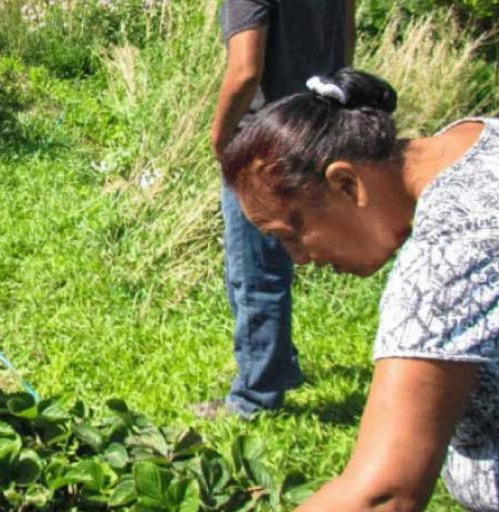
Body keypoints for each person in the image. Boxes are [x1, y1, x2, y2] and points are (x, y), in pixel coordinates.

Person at [220, 68, 499, 510]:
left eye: (290, 234)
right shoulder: (485, 138)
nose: (298, 259)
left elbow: (383, 495)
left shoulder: (451, 254)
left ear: (345, 184)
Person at [206, 0, 355, 418]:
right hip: (312, 126)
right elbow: (345, 41)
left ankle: (255, 397)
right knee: (272, 262)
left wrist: (220, 138)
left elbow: (245, 70)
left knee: (253, 271)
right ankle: (281, 367)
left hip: (263, 141)